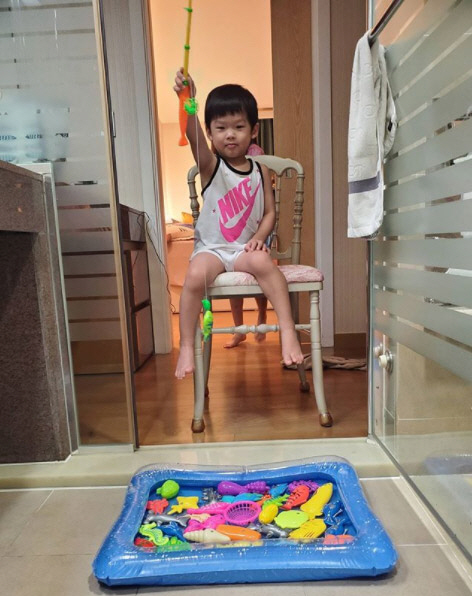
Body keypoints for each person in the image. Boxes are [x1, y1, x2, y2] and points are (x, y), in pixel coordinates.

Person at [173, 70, 304, 379]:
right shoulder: (210, 166)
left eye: (238, 127)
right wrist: (187, 99)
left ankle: (287, 331)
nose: (229, 134)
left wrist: (260, 237)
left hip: (243, 249)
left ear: (254, 130)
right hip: (213, 250)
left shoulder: (260, 171)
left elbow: (270, 212)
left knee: (263, 262)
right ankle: (187, 346)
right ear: (210, 133)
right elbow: (192, 134)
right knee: (195, 275)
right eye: (220, 128)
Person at [225, 140, 268, 349]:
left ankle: (262, 314)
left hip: (254, 227)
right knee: (234, 283)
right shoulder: (221, 158)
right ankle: (239, 329)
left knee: (260, 272)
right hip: (233, 229)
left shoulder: (255, 154)